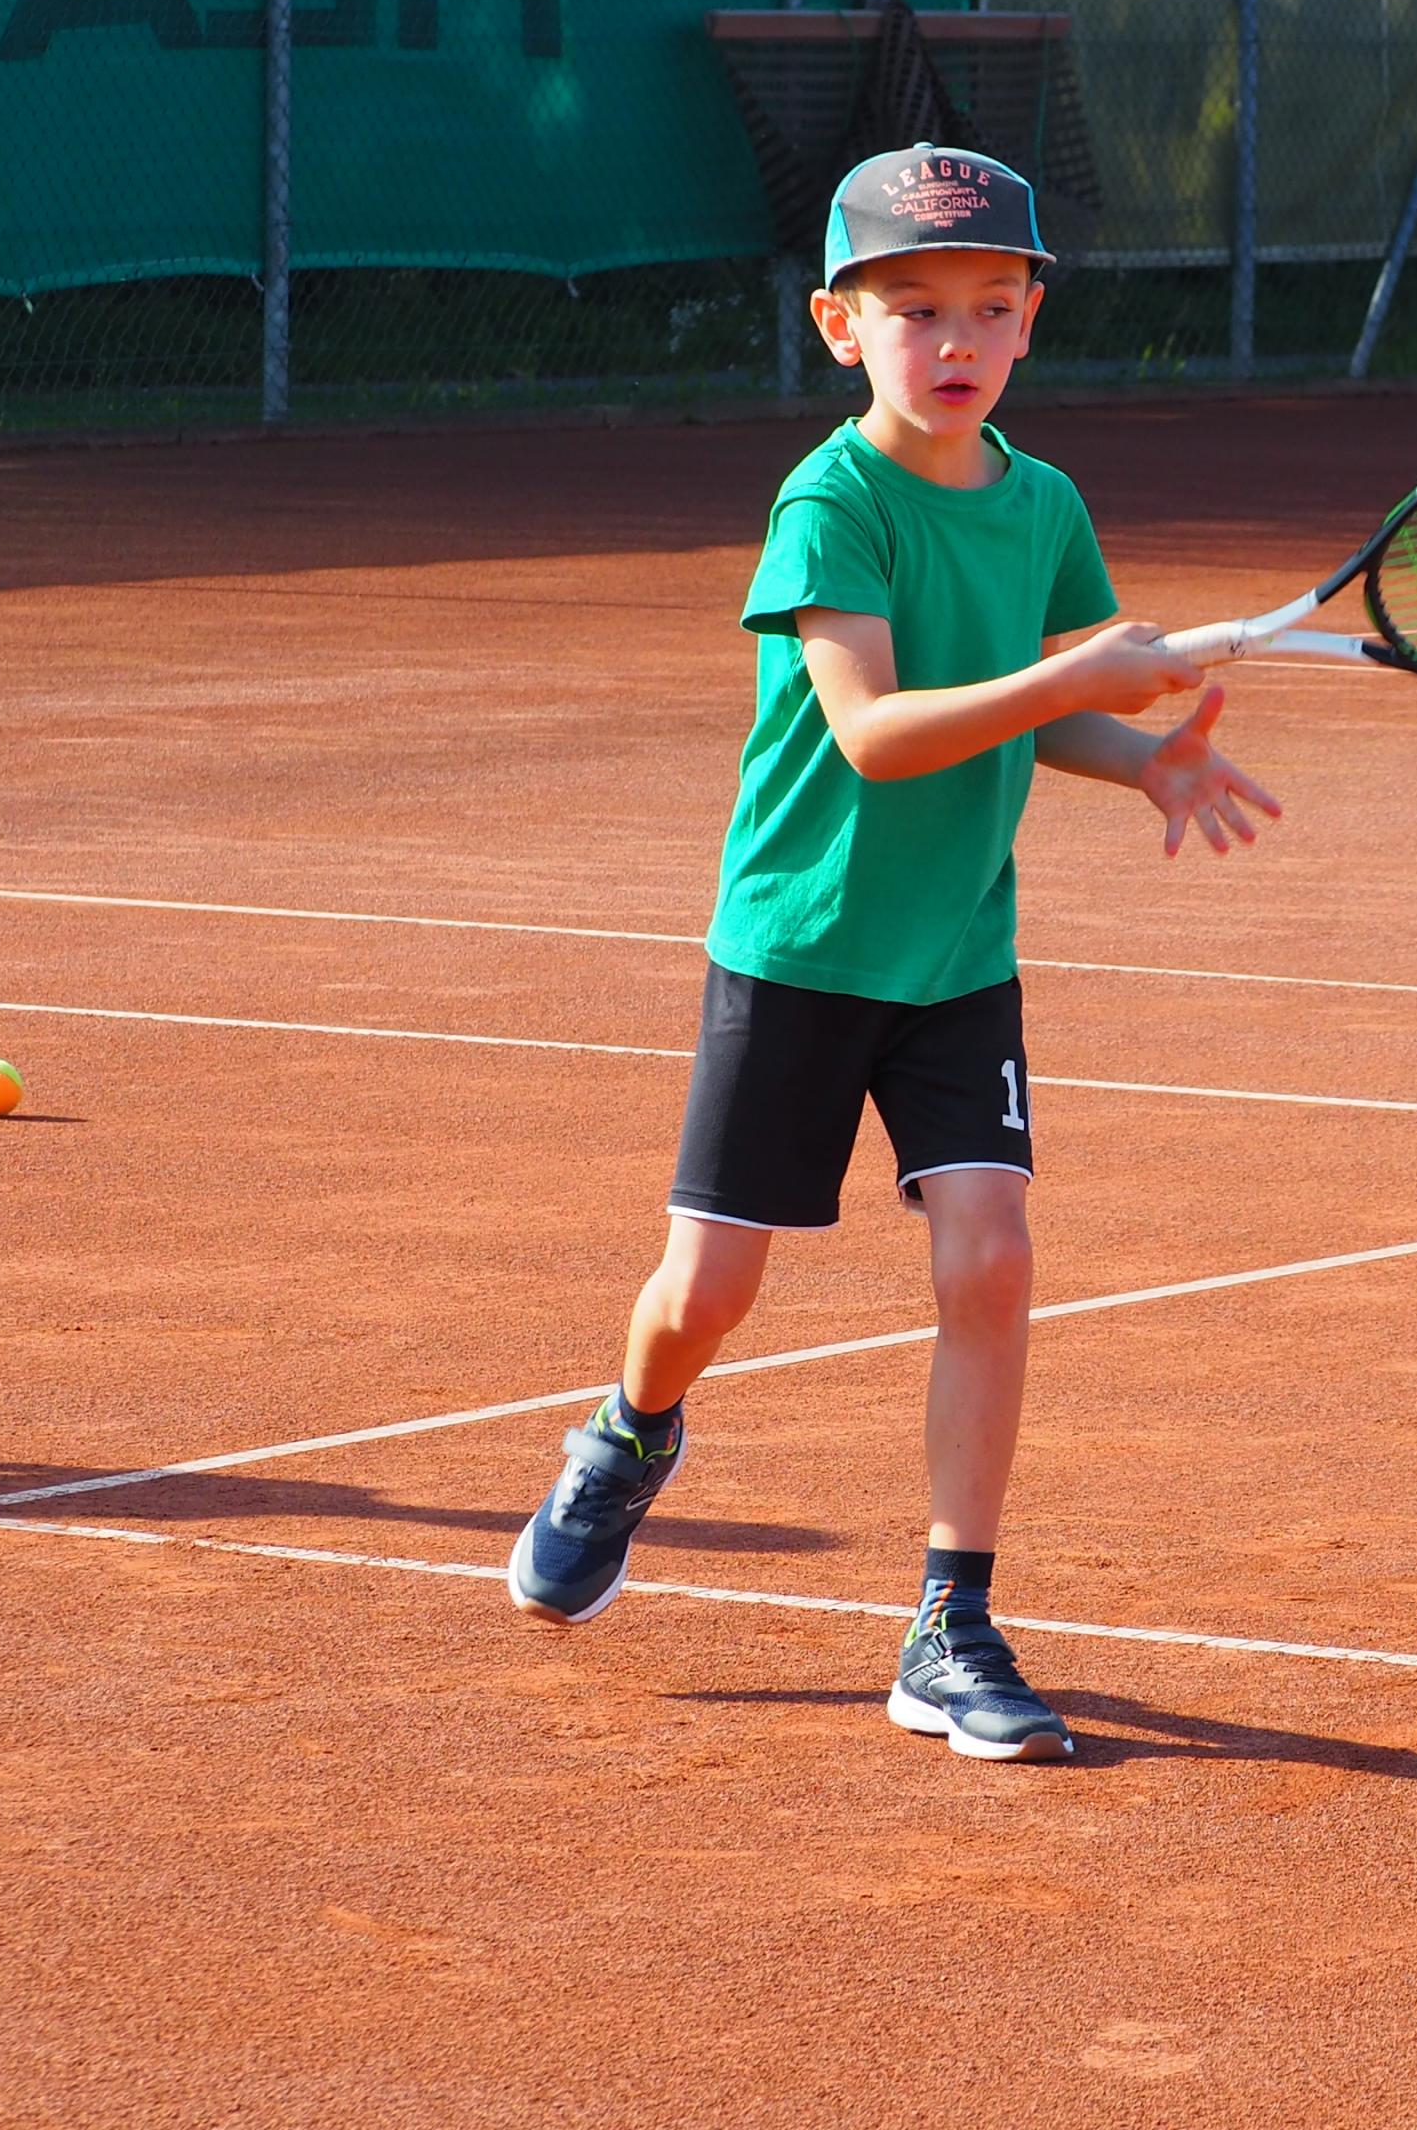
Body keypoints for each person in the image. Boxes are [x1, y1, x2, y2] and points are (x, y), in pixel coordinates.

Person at [503, 144, 1282, 1764]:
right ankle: (629, 1434)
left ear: (1031, 323)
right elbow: (875, 728)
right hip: (798, 948)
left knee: (990, 1258)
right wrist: (1074, 688)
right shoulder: (831, 503)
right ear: (840, 325)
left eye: (992, 306)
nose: (957, 338)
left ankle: (950, 1621)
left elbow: (1027, 714)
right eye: (915, 307)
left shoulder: (1043, 504)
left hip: (956, 958)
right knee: (708, 1289)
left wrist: (1141, 757)